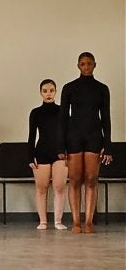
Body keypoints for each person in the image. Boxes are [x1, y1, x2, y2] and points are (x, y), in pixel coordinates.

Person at [58, 52, 112, 234]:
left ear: (95, 65)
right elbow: (63, 118)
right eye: (83, 64)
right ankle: (76, 221)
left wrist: (108, 143)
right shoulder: (69, 88)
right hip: (73, 137)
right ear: (78, 66)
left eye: (89, 63)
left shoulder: (102, 89)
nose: (86, 66)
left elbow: (106, 118)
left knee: (91, 179)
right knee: (74, 180)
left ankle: (88, 221)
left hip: (94, 136)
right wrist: (61, 145)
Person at [27, 79, 67, 230]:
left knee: (59, 187)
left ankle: (58, 221)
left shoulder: (62, 111)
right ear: (40, 93)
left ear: (55, 92)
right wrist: (30, 157)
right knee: (41, 187)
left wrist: (67, 152)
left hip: (60, 153)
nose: (48, 94)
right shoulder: (36, 113)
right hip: (42, 152)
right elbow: (31, 136)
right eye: (45, 91)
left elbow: (68, 134)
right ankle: (43, 221)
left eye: (51, 90)